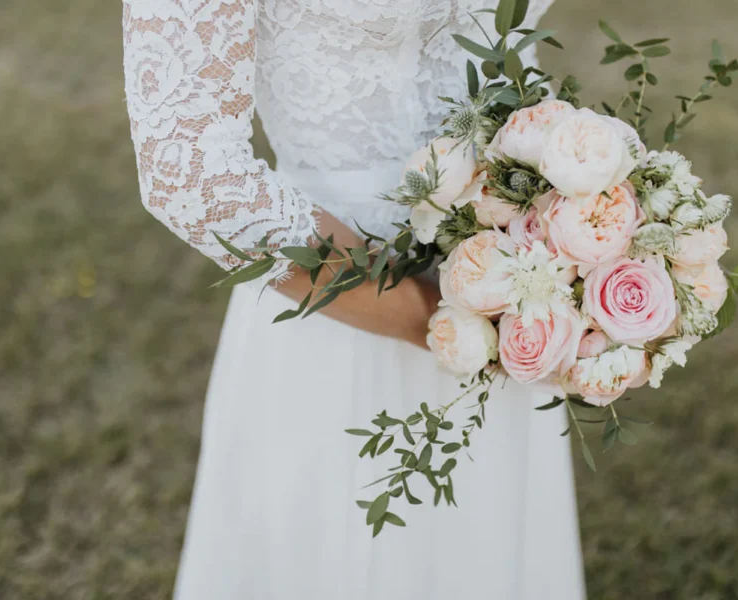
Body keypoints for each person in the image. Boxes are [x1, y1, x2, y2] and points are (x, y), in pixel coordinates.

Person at [121, 0, 585, 597]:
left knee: (487, 544)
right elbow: (191, 176)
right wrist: (446, 322)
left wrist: (583, 228)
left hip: (517, 273)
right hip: (335, 301)